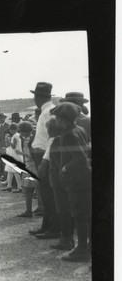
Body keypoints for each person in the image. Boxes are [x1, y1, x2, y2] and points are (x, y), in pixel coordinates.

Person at [50, 103, 92, 262]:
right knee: (85, 214)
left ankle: (81, 249)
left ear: (62, 119)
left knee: (79, 214)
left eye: (57, 118)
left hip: (77, 179)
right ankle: (86, 247)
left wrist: (65, 168)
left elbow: (80, 158)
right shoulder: (80, 129)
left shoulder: (68, 135)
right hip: (85, 177)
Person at [28, 82, 60, 239]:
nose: (34, 99)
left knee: (48, 193)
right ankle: (47, 225)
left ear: (38, 97)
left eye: (35, 96)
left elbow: (52, 138)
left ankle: (54, 228)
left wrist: (45, 160)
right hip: (40, 154)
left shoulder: (49, 112)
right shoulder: (45, 111)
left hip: (45, 155)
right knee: (45, 193)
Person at [43, 117, 75, 251]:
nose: (47, 131)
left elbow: (55, 162)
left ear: (52, 129)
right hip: (65, 180)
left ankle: (66, 240)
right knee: (67, 210)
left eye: (48, 128)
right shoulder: (66, 139)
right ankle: (68, 238)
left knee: (62, 210)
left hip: (58, 180)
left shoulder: (56, 141)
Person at [15, 121, 38, 217]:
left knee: (28, 190)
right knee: (38, 189)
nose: (20, 133)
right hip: (34, 166)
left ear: (25, 131)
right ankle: (40, 208)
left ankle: (28, 211)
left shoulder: (27, 141)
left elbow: (30, 155)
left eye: (22, 131)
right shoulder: (34, 138)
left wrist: (20, 153)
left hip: (30, 166)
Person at [0, 123, 22, 193]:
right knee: (10, 171)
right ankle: (9, 186)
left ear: (13, 129)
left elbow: (13, 146)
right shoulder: (16, 135)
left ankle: (19, 187)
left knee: (15, 172)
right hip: (13, 154)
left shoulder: (16, 136)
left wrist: (9, 141)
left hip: (15, 155)